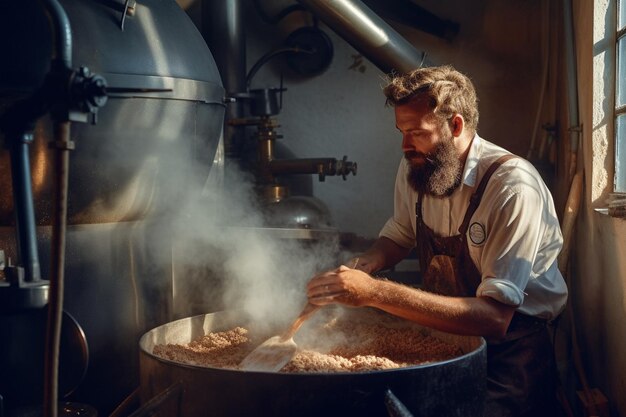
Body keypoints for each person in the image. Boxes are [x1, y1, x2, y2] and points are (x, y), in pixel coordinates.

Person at [306, 65, 568, 417]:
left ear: (456, 125)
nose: (405, 145)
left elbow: (494, 318)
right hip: (442, 340)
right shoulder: (418, 165)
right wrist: (367, 263)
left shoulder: (512, 188)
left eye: (416, 132)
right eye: (401, 131)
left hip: (510, 355)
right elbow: (399, 235)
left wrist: (373, 292)